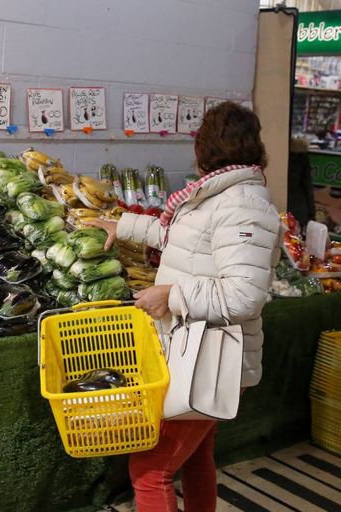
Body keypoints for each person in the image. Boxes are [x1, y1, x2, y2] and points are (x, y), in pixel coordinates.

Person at [87, 102, 281, 512]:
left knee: (149, 469)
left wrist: (171, 296)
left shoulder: (241, 203)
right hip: (198, 353)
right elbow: (182, 238)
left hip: (210, 360)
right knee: (194, 459)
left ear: (205, 147)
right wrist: (121, 226)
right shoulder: (218, 193)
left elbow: (244, 295)